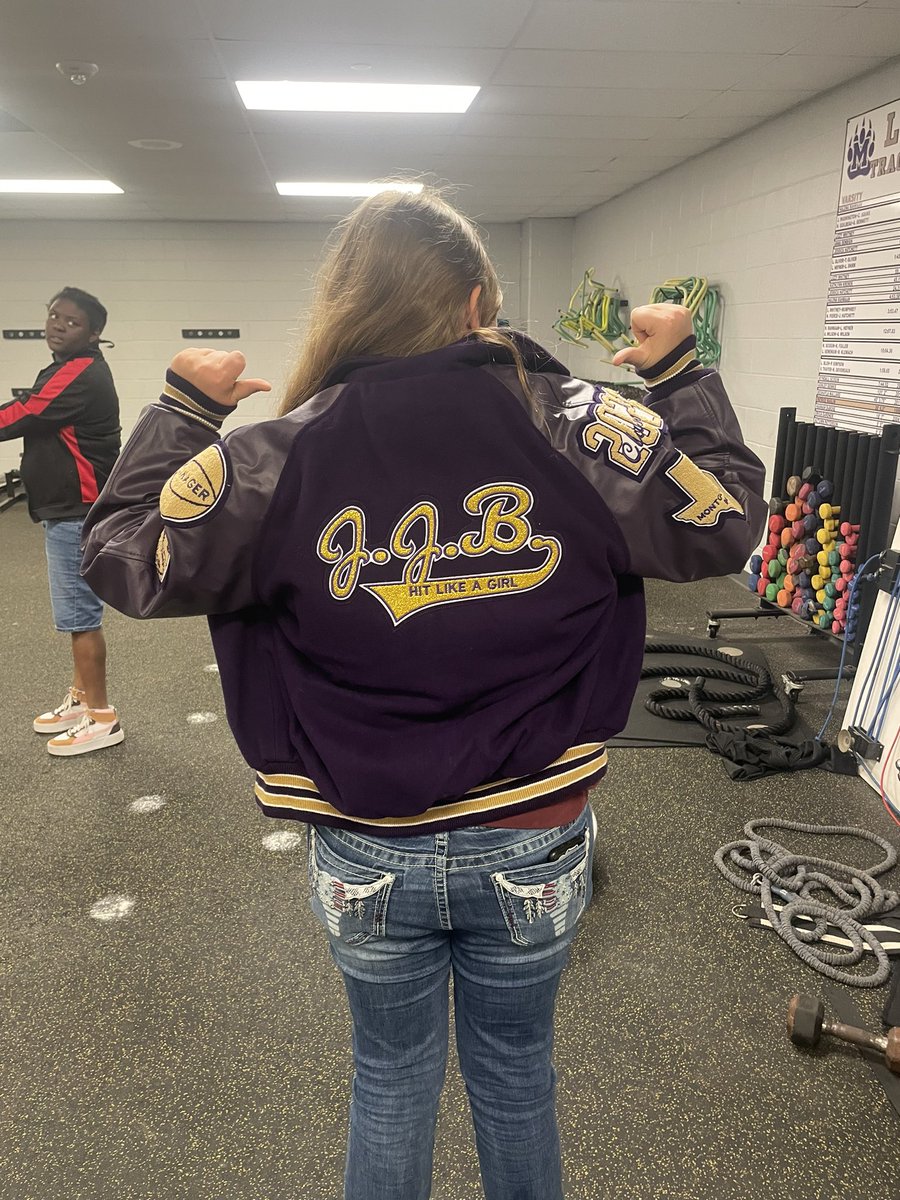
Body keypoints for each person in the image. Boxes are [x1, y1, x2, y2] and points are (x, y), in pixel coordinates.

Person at [81, 187, 766, 1199]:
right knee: (518, 1077)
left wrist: (183, 409)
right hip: (536, 828)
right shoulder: (575, 425)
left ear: (345, 305)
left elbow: (123, 557)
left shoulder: (275, 454)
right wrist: (679, 372)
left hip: (366, 841)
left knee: (390, 1080)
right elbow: (725, 521)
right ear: (477, 299)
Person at [1, 286, 123, 756]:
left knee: (80, 617)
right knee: (77, 615)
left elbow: (29, 410)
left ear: (93, 333)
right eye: (54, 316)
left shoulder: (82, 372)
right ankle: (81, 700)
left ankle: (102, 717)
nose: (57, 324)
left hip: (78, 508)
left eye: (71, 321)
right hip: (66, 507)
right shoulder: (65, 367)